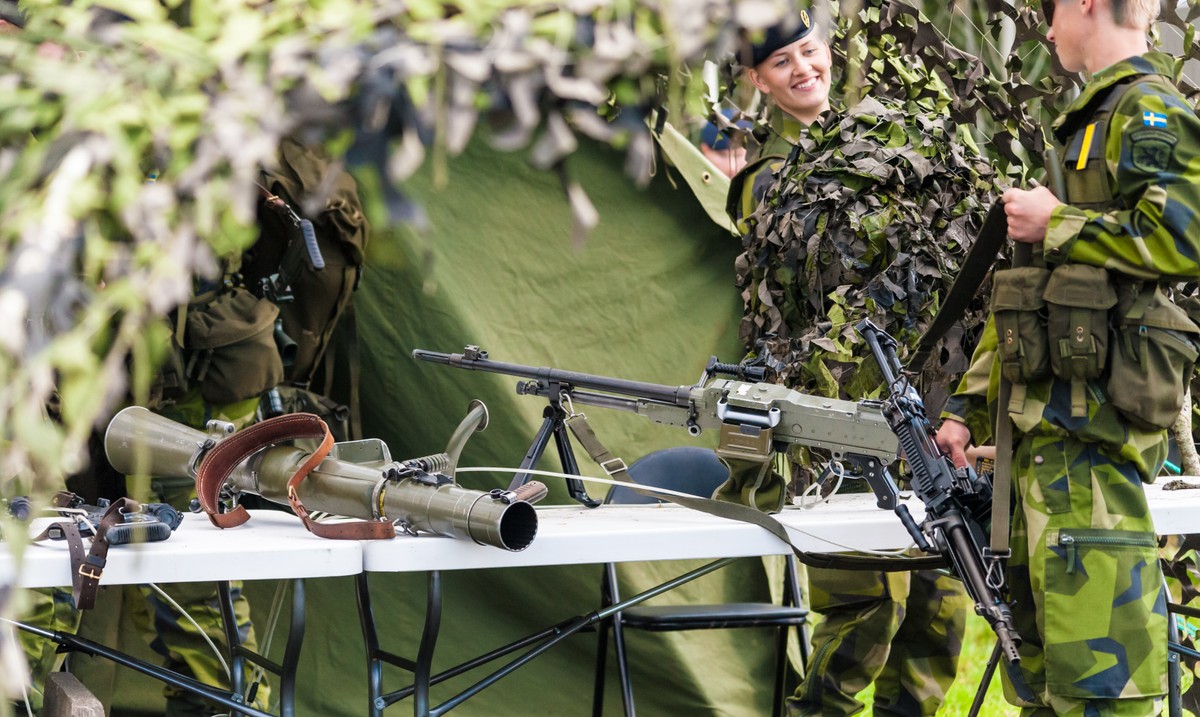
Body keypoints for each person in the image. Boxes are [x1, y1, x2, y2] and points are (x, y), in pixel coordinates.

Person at [934, 0, 1200, 713]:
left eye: (1052, 9)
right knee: (1048, 685)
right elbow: (1029, 291)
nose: (1046, 31)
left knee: (1105, 689)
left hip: (1094, 439)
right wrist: (963, 407)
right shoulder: (1081, 122)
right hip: (1041, 442)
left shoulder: (1148, 113)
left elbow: (1184, 238)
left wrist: (1060, 221)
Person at [725, 12, 975, 717]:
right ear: (757, 81)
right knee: (866, 611)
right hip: (837, 416)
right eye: (782, 63)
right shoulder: (766, 179)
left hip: (920, 407)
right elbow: (793, 309)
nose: (804, 69)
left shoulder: (898, 142)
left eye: (810, 52)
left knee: (938, 607)